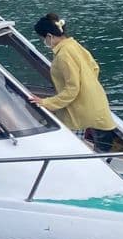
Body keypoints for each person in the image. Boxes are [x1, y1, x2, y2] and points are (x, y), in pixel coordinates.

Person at [32, 12, 117, 152]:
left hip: (78, 114)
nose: (44, 42)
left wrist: (46, 103)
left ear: (49, 36)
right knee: (102, 150)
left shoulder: (63, 55)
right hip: (97, 104)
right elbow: (95, 67)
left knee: (72, 149)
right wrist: (88, 87)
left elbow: (72, 88)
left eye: (42, 38)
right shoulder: (74, 45)